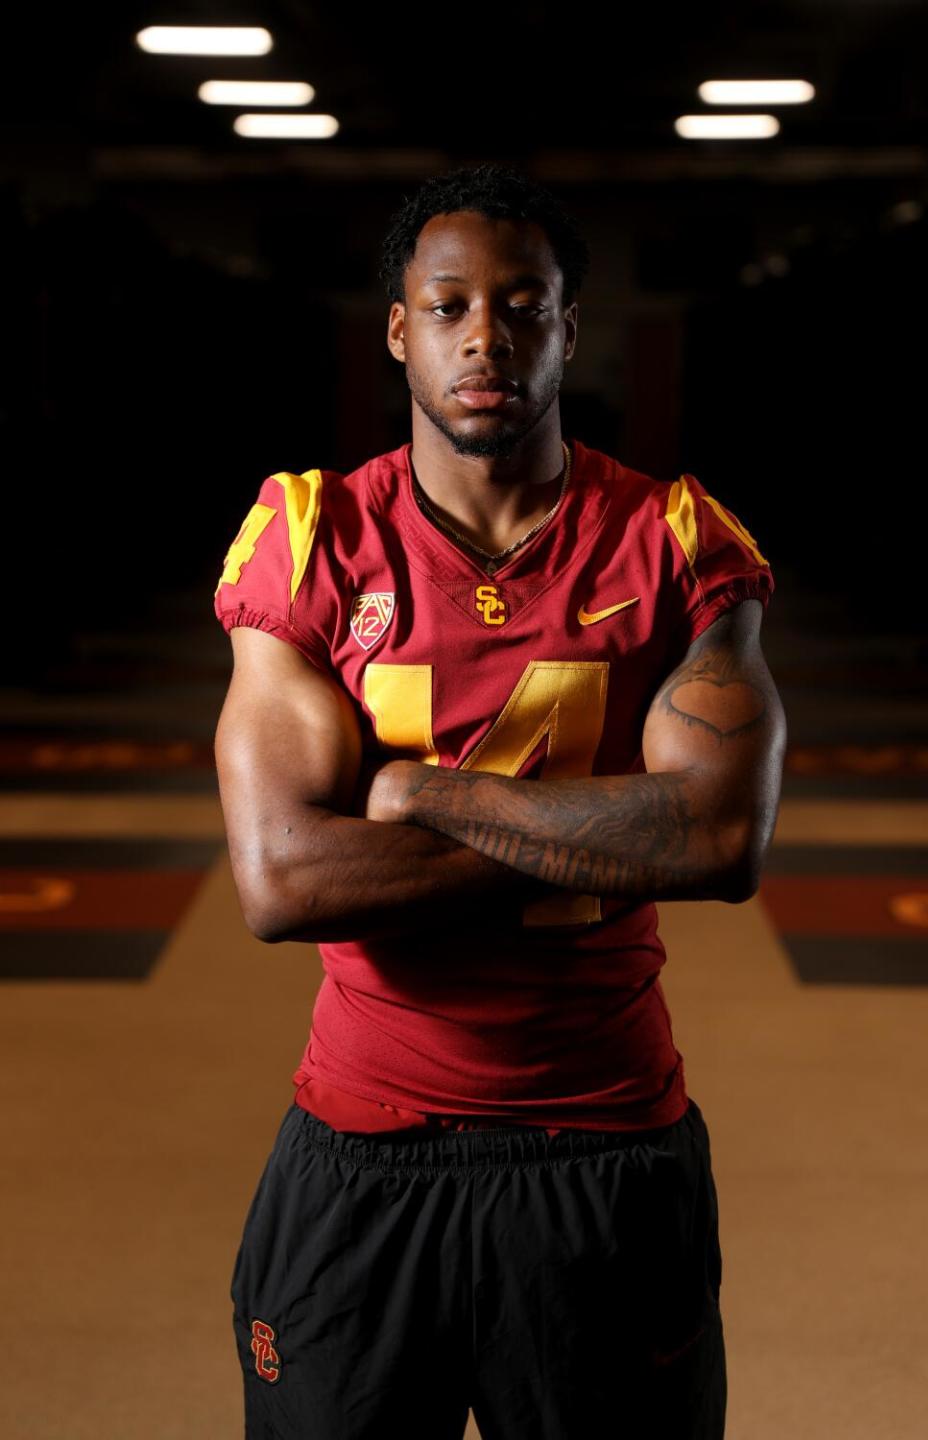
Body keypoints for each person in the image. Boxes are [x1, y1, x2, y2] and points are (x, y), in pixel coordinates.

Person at [213, 161, 787, 1439]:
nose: (489, 336)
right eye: (453, 305)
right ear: (400, 330)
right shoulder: (311, 537)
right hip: (364, 1147)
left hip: (603, 1146)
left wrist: (420, 792)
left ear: (570, 330)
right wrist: (605, 831)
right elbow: (284, 882)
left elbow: (719, 837)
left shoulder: (679, 543)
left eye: (526, 305)